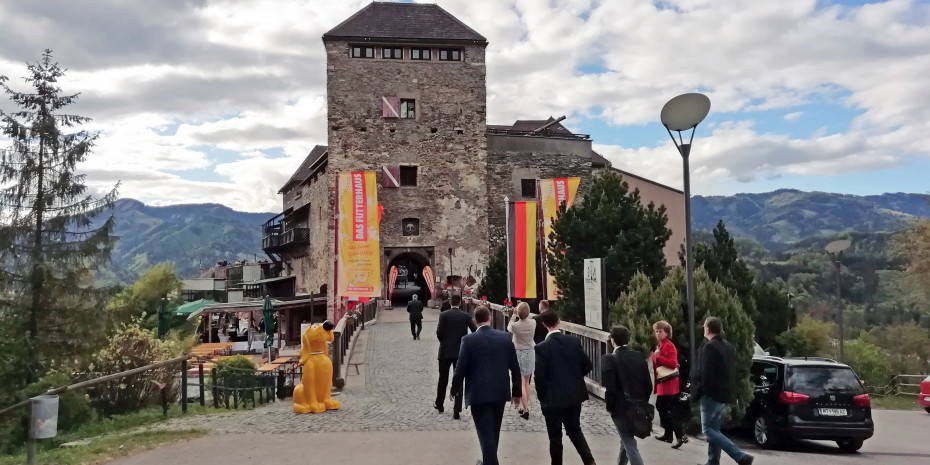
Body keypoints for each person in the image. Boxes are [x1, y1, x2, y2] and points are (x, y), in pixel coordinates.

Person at [451, 305, 521, 465]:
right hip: (499, 392)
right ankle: (488, 461)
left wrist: (454, 389)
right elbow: (515, 368)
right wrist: (517, 393)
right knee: (493, 431)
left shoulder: (468, 341)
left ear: (475, 321)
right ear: (489, 318)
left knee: (485, 433)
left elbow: (460, 369)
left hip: (478, 393)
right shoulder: (504, 338)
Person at [534, 311, 597, 465]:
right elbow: (587, 365)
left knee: (555, 437)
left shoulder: (542, 348)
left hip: (552, 398)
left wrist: (542, 397)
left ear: (543, 325)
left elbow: (540, 377)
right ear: (559, 321)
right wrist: (575, 378)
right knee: (575, 430)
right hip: (574, 395)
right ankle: (589, 461)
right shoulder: (573, 341)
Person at [693, 317, 754, 465]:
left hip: (711, 394)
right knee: (715, 429)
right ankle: (713, 462)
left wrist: (699, 392)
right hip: (725, 394)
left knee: (707, 429)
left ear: (707, 329)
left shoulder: (710, 347)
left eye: (704, 328)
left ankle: (740, 456)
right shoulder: (728, 346)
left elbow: (705, 373)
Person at [602, 325, 651, 465]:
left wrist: (610, 407)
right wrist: (641, 402)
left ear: (612, 340)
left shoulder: (609, 359)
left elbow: (609, 387)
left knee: (629, 443)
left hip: (620, 407)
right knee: (626, 440)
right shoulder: (638, 356)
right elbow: (648, 385)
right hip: (638, 406)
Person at [435, 294, 476, 418]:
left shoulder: (444, 315)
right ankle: (457, 409)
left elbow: (439, 333)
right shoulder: (466, 316)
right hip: (460, 352)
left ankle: (440, 404)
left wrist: (444, 342)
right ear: (460, 303)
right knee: (458, 379)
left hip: (445, 352)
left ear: (450, 302)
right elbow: (474, 330)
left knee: (443, 378)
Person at [652, 320, 688, 449]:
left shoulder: (668, 345)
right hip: (664, 382)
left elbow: (672, 363)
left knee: (665, 408)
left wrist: (658, 357)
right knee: (663, 407)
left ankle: (679, 434)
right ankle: (668, 435)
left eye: (660, 331)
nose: (657, 334)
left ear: (667, 333)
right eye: (656, 331)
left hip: (669, 383)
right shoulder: (661, 345)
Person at [506, 301, 536, 420]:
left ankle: (525, 408)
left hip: (519, 352)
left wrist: (514, 315)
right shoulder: (533, 323)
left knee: (521, 381)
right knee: (527, 381)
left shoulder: (515, 326)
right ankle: (525, 405)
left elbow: (508, 327)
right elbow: (531, 317)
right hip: (530, 351)